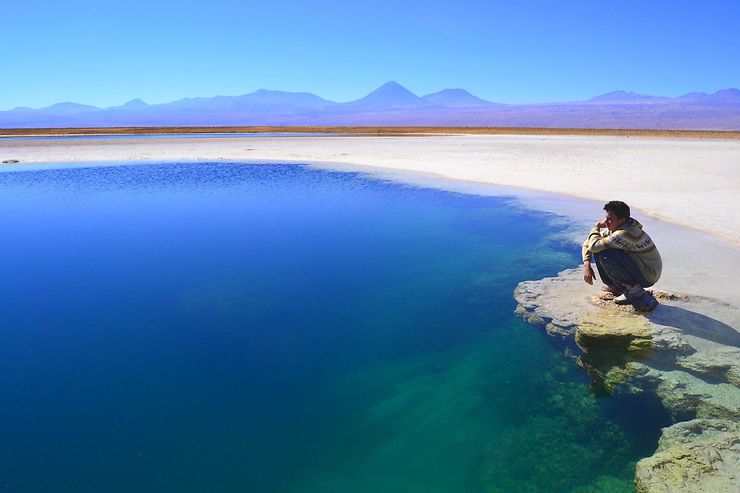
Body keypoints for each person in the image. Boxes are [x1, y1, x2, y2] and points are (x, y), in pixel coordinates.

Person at [582, 200, 662, 311]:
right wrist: (587, 264)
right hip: (642, 269)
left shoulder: (625, 233)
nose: (606, 222)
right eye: (606, 218)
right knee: (601, 248)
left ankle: (632, 290)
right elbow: (588, 243)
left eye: (610, 219)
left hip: (648, 275)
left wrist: (595, 227)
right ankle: (616, 287)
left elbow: (594, 246)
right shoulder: (616, 229)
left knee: (606, 254)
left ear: (622, 220)